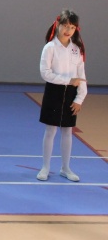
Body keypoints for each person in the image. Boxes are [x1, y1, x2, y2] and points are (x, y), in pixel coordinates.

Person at [37, 9, 87, 182]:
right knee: (50, 130)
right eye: (65, 26)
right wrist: (67, 80)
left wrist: (79, 99)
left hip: (71, 94)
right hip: (54, 91)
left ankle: (65, 168)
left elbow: (81, 76)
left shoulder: (77, 50)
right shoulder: (50, 48)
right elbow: (45, 73)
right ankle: (45, 167)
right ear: (58, 25)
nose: (68, 30)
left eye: (72, 27)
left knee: (67, 131)